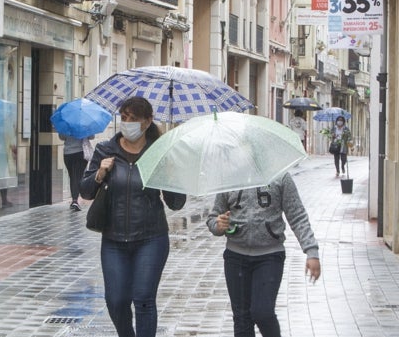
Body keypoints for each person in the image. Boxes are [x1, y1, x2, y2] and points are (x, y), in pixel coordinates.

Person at [80, 96, 187, 337]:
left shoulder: (158, 153)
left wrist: (170, 172)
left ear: (148, 122)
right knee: (116, 301)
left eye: (133, 119)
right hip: (113, 239)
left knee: (144, 299)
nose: (127, 123)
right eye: (124, 118)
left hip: (151, 238)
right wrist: (100, 173)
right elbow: (85, 190)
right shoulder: (105, 150)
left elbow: (176, 203)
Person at [206, 173, 321, 337]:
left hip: (270, 256)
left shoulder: (281, 177)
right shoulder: (229, 176)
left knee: (263, 312)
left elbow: (297, 214)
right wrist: (217, 225)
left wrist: (311, 251)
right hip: (235, 257)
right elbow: (214, 216)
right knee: (241, 319)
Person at [59, 134, 93, 211]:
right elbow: (92, 136)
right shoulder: (84, 123)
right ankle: (75, 200)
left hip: (68, 153)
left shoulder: (66, 123)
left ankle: (74, 199)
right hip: (80, 152)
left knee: (72, 176)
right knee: (78, 176)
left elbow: (61, 137)